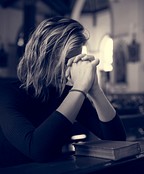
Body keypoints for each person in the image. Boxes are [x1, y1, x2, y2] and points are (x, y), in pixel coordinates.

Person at [0, 16, 126, 167]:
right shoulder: (7, 94)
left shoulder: (67, 94)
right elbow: (38, 150)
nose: (72, 68)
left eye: (76, 60)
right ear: (44, 57)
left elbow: (116, 139)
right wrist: (79, 87)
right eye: (67, 60)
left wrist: (94, 89)